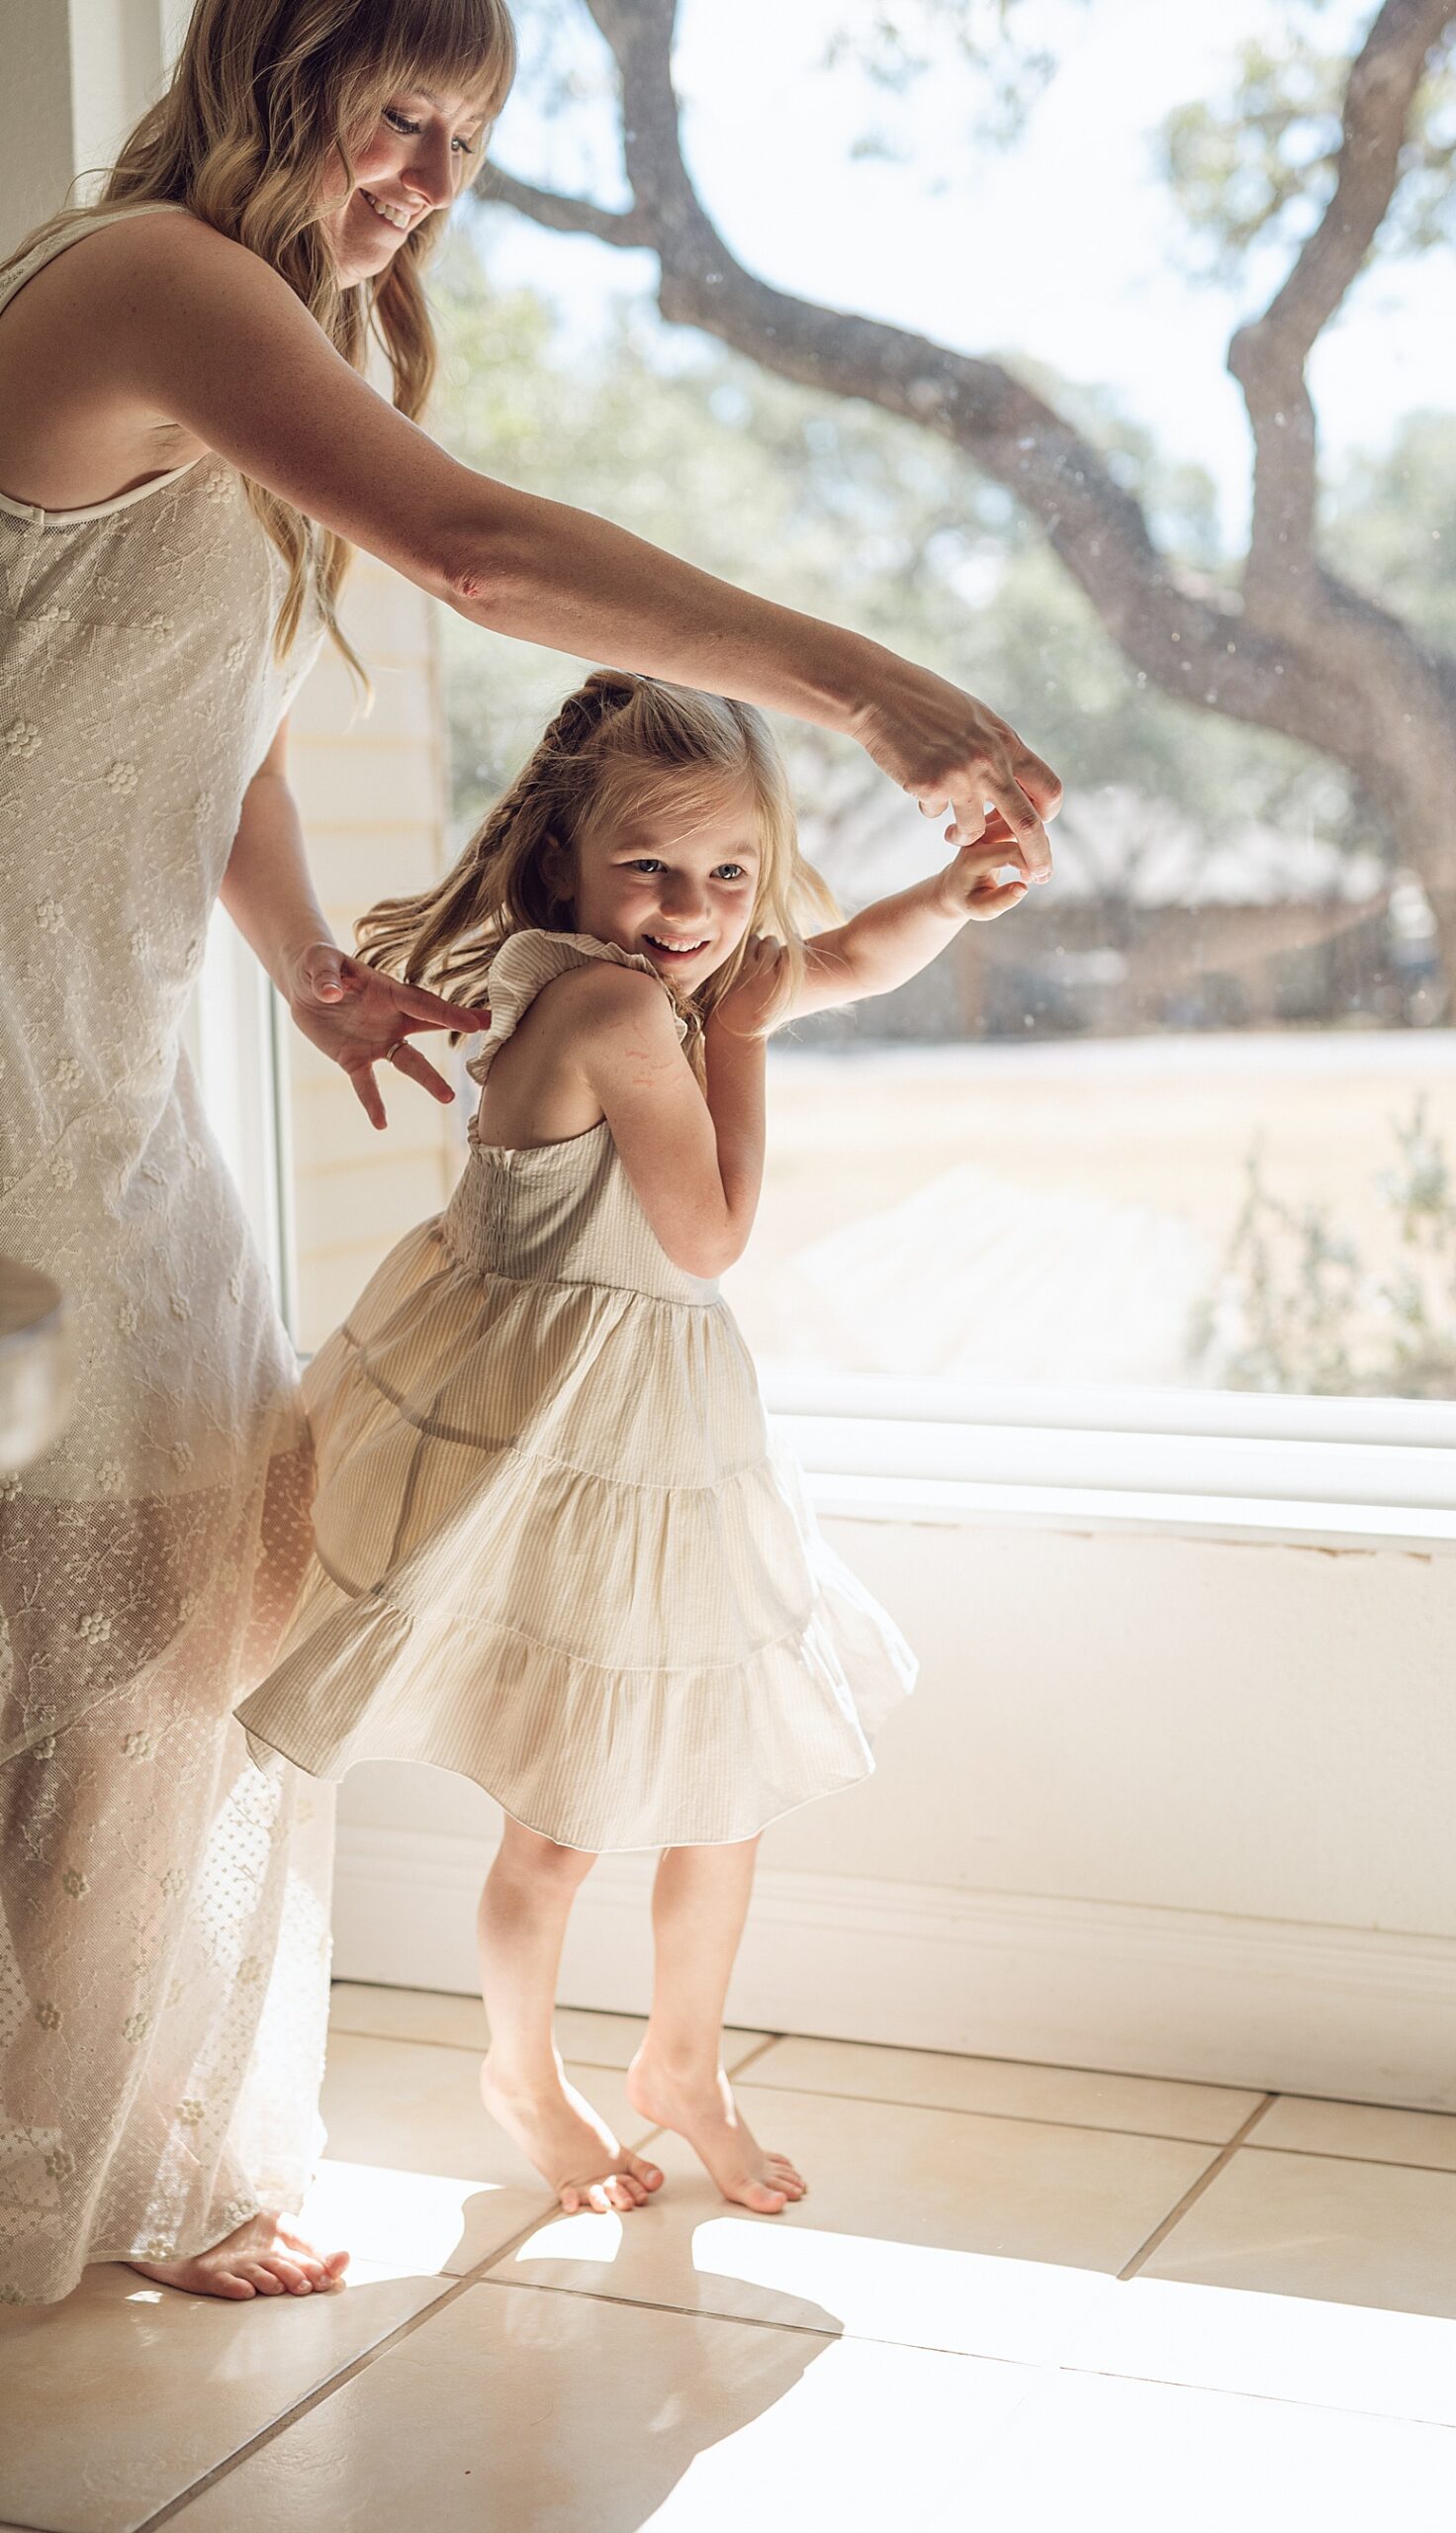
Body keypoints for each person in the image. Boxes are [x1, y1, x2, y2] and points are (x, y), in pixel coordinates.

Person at [0, 0, 1057, 2304]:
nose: (439, 180)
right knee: (106, 1631)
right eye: (409, 115)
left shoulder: (273, 335)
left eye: (474, 138)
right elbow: (476, 556)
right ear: (278, 70)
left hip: (102, 1069)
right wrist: (860, 687)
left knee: (171, 1622)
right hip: (14, 1096)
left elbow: (208, 714)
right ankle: (56, 2171)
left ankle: (107, 2149)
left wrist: (296, 965)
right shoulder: (146, 282)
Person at [235, 671, 1031, 2214]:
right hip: (563, 1453)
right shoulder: (609, 1006)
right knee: (567, 1817)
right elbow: (712, 1232)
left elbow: (849, 958)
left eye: (730, 875)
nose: (693, 909)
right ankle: (522, 2076)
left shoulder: (663, 980)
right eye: (651, 870)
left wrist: (950, 891)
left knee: (717, 1784)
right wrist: (737, 1028)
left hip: (661, 1447)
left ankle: (683, 2063)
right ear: (566, 866)